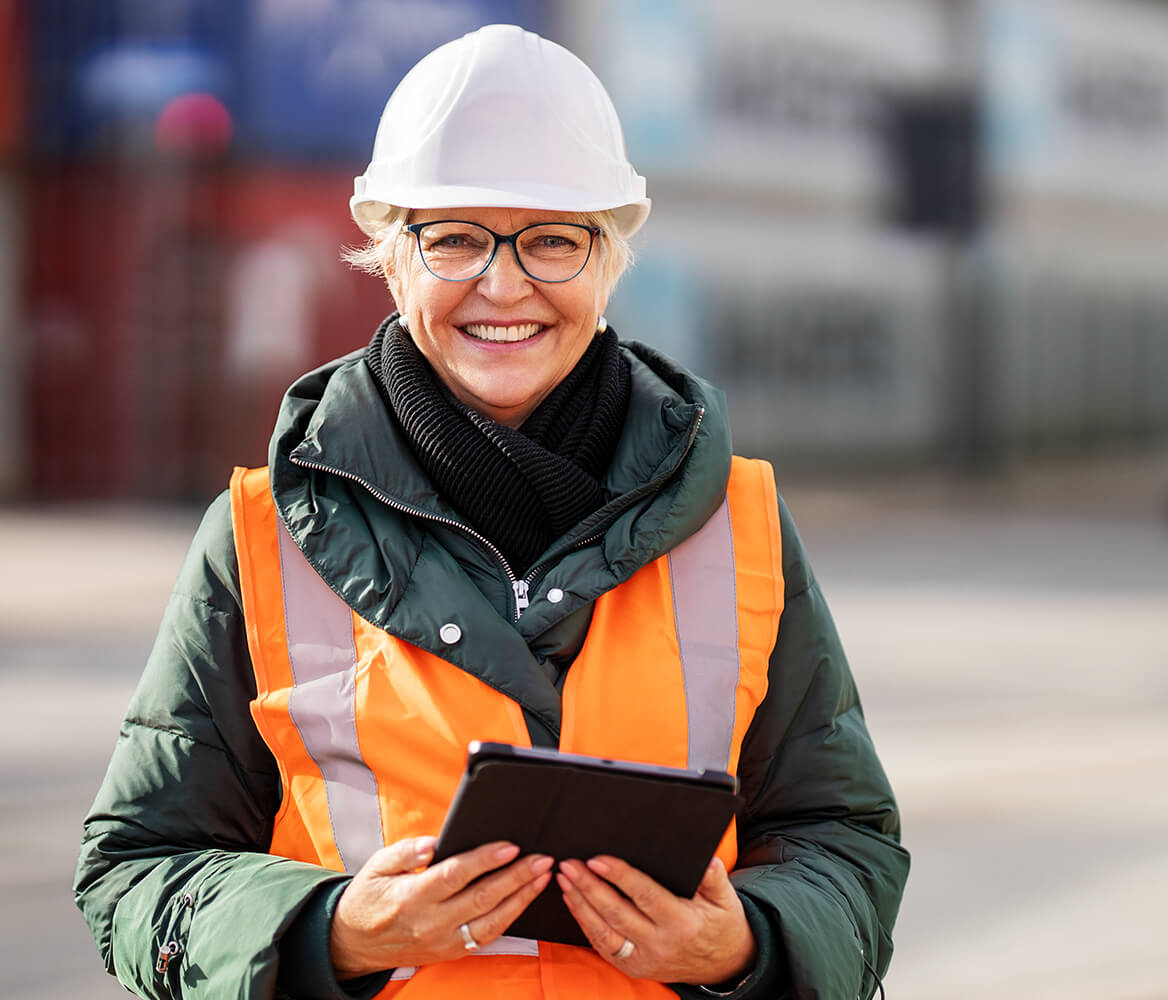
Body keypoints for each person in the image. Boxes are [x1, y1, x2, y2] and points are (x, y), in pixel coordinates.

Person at [75, 24, 906, 999]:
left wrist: (745, 945)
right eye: (455, 239)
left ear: (610, 260)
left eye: (551, 240)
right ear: (389, 258)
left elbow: (844, 843)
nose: (502, 284)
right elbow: (136, 870)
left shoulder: (741, 528)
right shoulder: (260, 539)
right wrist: (327, 931)